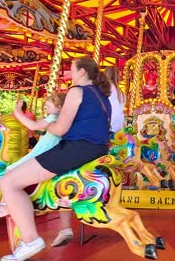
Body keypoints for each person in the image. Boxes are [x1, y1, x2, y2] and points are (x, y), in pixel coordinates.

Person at [0, 57, 112, 261]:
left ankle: (30, 239)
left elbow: (60, 128)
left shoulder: (77, 91)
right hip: (97, 149)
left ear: (82, 72)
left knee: (8, 181)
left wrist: (44, 125)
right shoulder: (102, 96)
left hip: (76, 148)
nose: (70, 73)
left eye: (72, 69)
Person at [52, 65, 126, 248]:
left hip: (92, 139)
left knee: (58, 174)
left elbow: (64, 127)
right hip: (113, 138)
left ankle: (65, 225)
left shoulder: (87, 93)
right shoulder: (119, 94)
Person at [0, 92, 67, 222]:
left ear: (60, 107)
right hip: (48, 152)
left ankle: (5, 205)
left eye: (49, 106)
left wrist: (17, 112)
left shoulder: (54, 118)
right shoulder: (60, 119)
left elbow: (33, 126)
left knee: (11, 170)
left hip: (42, 153)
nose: (46, 109)